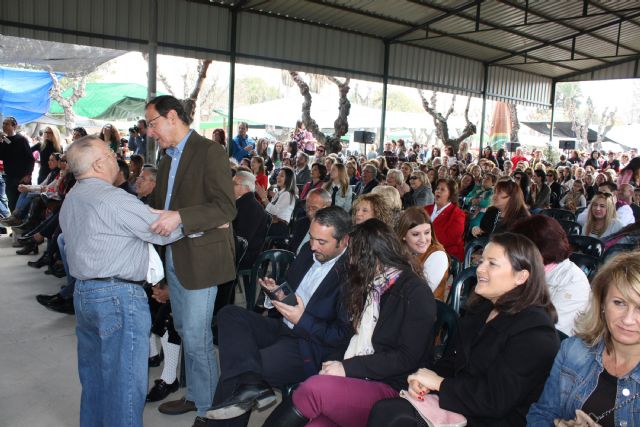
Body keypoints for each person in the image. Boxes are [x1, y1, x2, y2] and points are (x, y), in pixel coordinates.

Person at [369, 232, 560, 427]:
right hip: (463, 402)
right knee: (388, 411)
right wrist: (425, 379)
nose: (479, 269)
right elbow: (452, 361)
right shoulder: (482, 308)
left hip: (492, 419)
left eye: (492, 264)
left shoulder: (535, 332)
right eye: (482, 260)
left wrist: (439, 384)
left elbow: (495, 400)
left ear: (521, 276)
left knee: (392, 416)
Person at [59, 135, 185, 427]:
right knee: (125, 385)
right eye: (110, 153)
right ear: (99, 163)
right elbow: (162, 231)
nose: (117, 157)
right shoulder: (113, 198)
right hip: (117, 296)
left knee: (95, 381)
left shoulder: (74, 196)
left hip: (85, 294)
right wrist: (192, 220)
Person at [262, 218, 436, 427]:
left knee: (313, 389)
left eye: (354, 254)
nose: (350, 261)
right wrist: (336, 364)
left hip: (394, 386)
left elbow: (407, 358)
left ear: (371, 257)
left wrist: (346, 367)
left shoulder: (414, 292)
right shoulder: (373, 285)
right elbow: (350, 335)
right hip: (364, 376)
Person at [205, 207, 353, 426]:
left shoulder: (353, 275)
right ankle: (251, 381)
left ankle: (247, 384)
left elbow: (339, 336)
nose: (313, 246)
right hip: (283, 327)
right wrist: (275, 292)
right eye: (311, 238)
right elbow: (291, 289)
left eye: (322, 242)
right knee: (230, 315)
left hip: (309, 347)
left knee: (239, 371)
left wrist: (302, 320)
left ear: (344, 241)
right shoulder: (307, 252)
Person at [145, 95, 237, 425]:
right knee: (184, 329)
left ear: (172, 117)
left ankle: (209, 412)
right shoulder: (167, 156)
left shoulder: (210, 151)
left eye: (153, 123)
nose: (150, 132)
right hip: (176, 252)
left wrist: (180, 217)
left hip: (202, 258)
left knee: (197, 339)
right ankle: (198, 393)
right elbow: (163, 204)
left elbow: (226, 208)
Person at [527, 251, 640, 426]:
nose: (627, 319)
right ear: (602, 303)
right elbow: (541, 414)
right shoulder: (573, 350)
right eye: (619, 303)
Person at [511, 215, 591, 336]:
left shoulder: (573, 281)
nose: (515, 254)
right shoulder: (525, 269)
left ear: (538, 250)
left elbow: (551, 332)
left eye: (521, 249)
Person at [397, 207, 449, 300]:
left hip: (424, 309)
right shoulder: (399, 250)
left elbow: (421, 294)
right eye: (416, 234)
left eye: (427, 232)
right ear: (403, 235)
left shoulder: (438, 256)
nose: (423, 239)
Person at [232, 171, 270, 269]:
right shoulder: (243, 202)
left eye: (234, 184)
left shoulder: (250, 207)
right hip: (238, 248)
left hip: (245, 255)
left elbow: (241, 240)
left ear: (247, 188)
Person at [425, 178, 465, 261]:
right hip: (424, 249)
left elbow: (451, 238)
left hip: (447, 255)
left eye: (442, 189)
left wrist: (424, 242)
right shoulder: (426, 209)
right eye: (437, 189)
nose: (438, 191)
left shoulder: (457, 214)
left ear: (450, 195)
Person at [0, 116, 34, 211]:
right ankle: (13, 221)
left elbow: (30, 159)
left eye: (7, 124)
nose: (4, 126)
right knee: (11, 201)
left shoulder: (21, 140)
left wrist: (28, 174)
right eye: (3, 123)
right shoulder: (6, 141)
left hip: (21, 177)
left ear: (14, 126)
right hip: (9, 176)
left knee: (22, 203)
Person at [289, 188, 331, 254]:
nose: (309, 213)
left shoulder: (330, 231)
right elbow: (291, 248)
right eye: (307, 207)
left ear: (326, 208)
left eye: (314, 208)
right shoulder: (300, 223)